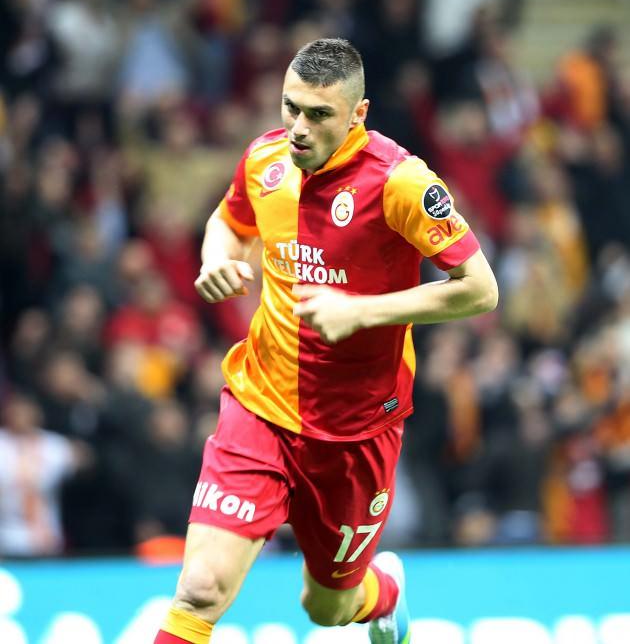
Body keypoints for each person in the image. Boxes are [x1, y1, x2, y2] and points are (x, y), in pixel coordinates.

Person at [154, 38, 498, 644]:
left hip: (355, 431)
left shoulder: (401, 182)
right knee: (200, 590)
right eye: (291, 108)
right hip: (259, 406)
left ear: (358, 114)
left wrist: (362, 312)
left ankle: (384, 594)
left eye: (319, 115)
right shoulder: (264, 159)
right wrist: (216, 259)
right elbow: (228, 222)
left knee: (328, 608)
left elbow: (480, 289)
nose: (298, 128)